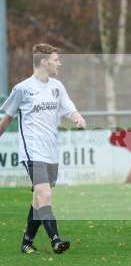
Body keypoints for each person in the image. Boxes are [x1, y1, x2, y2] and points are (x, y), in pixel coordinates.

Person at [0, 43, 86, 254]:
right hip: (33, 152)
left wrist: (77, 118)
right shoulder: (22, 89)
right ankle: (55, 239)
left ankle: (26, 243)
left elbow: (69, 108)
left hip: (51, 153)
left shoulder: (57, 86)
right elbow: (6, 119)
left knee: (39, 200)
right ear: (44, 62)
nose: (59, 63)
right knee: (44, 195)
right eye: (56, 59)